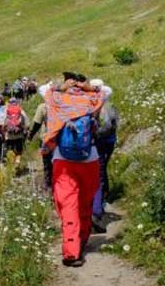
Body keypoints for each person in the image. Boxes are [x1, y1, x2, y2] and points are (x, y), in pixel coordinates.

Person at [41, 72, 107, 267]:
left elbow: (43, 89)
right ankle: (83, 238)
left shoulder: (57, 99)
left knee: (68, 205)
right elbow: (107, 90)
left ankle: (72, 251)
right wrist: (88, 87)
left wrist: (61, 87)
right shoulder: (92, 100)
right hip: (90, 159)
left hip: (63, 161)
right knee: (85, 202)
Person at [90, 79, 119, 232]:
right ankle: (99, 205)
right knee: (100, 172)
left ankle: (96, 209)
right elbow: (113, 125)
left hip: (97, 143)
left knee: (98, 174)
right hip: (107, 142)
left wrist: (95, 136)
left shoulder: (91, 105)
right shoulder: (109, 106)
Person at [0, 98, 28, 166]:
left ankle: (10, 164)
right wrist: (24, 133)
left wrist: (3, 134)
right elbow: (27, 125)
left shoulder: (4, 111)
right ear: (17, 103)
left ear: (8, 103)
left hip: (8, 136)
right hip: (19, 135)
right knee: (19, 151)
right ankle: (17, 162)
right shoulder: (21, 111)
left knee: (8, 150)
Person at [28, 100, 52, 192]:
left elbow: (36, 124)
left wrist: (30, 136)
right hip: (61, 140)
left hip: (46, 139)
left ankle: (48, 185)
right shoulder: (64, 104)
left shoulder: (43, 106)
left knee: (47, 164)